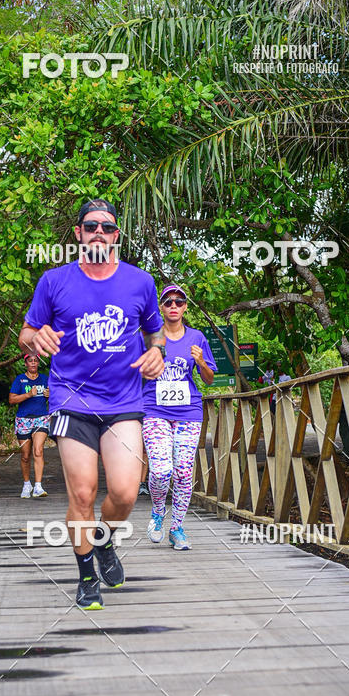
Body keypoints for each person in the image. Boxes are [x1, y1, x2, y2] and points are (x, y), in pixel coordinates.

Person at [17, 198, 165, 609]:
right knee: (82, 493)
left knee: (125, 490)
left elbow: (156, 333)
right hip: (71, 399)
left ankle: (103, 542)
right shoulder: (54, 281)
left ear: (116, 236)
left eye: (107, 226)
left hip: (123, 400)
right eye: (91, 225)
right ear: (78, 234)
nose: (99, 231)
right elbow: (26, 334)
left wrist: (158, 353)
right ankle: (86, 577)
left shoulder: (141, 282)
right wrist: (36, 338)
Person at [142, 284, 217, 550]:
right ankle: (158, 511)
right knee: (162, 470)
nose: (173, 305)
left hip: (188, 412)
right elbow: (133, 373)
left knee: (184, 473)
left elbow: (208, 380)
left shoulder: (197, 338)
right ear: (161, 308)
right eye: (168, 302)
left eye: (179, 302)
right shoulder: (150, 337)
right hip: (155, 410)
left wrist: (202, 363)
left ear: (185, 307)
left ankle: (177, 529)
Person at [8, 354, 50, 498]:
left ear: (38, 363)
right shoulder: (19, 379)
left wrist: (50, 395)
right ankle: (27, 484)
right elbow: (12, 399)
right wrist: (28, 394)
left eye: (35, 361)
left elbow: (57, 396)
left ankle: (38, 486)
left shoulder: (45, 379)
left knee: (38, 450)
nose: (33, 363)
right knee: (25, 456)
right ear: (25, 363)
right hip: (23, 419)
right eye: (30, 361)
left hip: (41, 418)